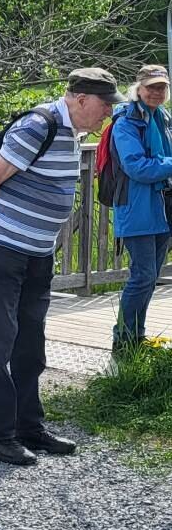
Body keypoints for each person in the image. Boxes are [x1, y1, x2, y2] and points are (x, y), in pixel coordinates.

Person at [0, 68, 122, 465]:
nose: (107, 113)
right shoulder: (40, 125)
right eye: (105, 105)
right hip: (7, 247)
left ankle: (29, 427)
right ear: (82, 99)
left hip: (38, 253)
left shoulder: (71, 132)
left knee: (30, 342)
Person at [110, 64, 172, 352]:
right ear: (138, 89)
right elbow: (136, 168)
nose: (157, 92)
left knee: (149, 277)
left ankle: (137, 337)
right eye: (151, 87)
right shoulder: (125, 123)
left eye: (161, 87)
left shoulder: (162, 118)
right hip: (136, 207)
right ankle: (122, 340)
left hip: (160, 207)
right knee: (142, 276)